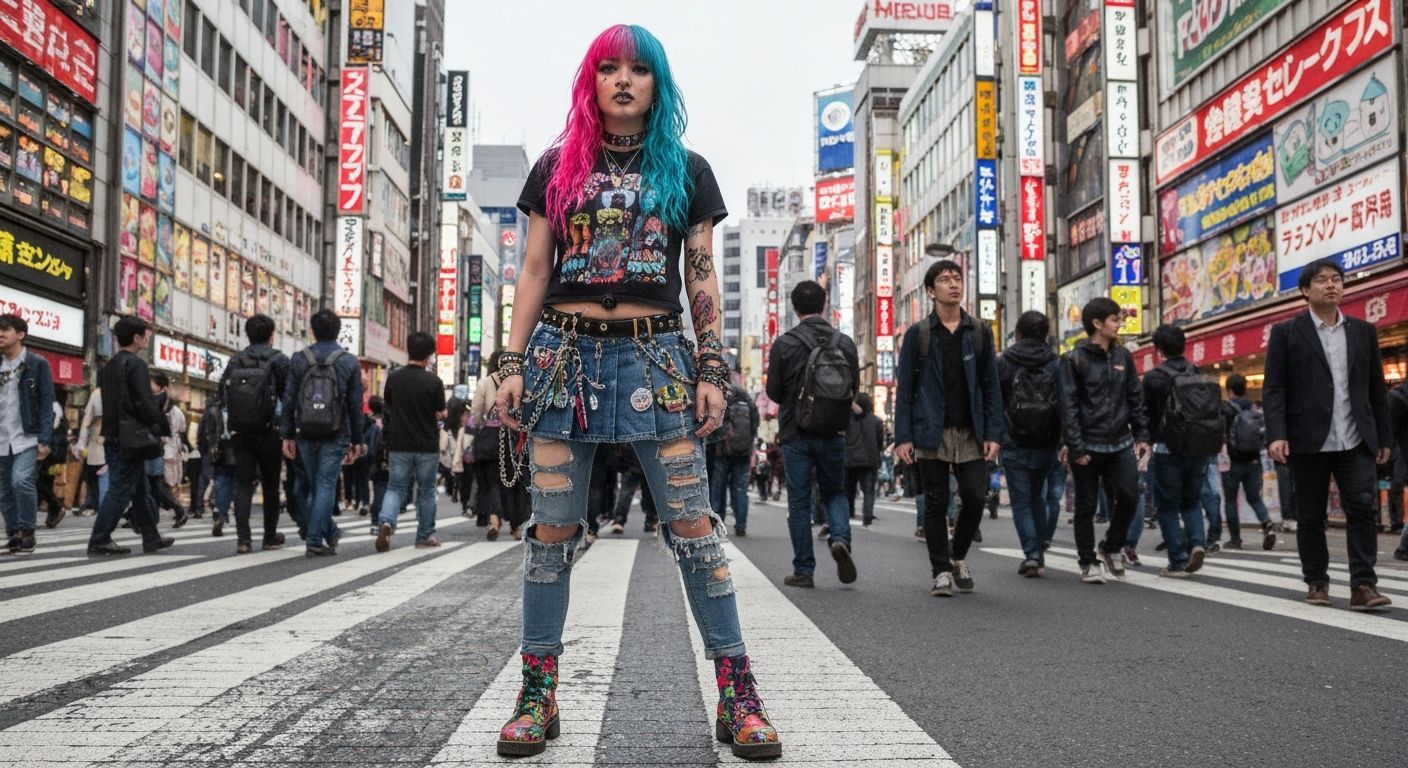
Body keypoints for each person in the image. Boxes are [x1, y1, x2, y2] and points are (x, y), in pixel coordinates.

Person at [492, 25, 779, 760]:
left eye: (639, 70)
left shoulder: (687, 169)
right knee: (551, 533)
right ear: (591, 81)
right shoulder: (556, 168)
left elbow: (701, 273)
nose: (623, 80)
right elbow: (531, 270)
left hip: (657, 359)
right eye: (609, 68)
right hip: (562, 358)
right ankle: (537, 691)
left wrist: (712, 369)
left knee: (694, 528)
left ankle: (738, 695)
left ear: (659, 84)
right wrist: (509, 361)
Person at [1263, 258, 1392, 610]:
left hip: (1355, 439)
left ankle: (1363, 585)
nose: (1331, 285)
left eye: (1337, 279)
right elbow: (1274, 389)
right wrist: (1277, 434)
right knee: (1310, 515)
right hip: (1308, 439)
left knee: (1363, 510)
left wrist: (1383, 438)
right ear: (1306, 290)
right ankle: (1317, 581)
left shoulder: (1362, 331)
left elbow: (1376, 390)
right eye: (1322, 280)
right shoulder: (1287, 333)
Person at [894, 259, 1002, 596]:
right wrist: (903, 437)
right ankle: (940, 569)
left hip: (971, 430)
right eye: (944, 279)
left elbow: (991, 386)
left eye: (957, 278)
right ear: (931, 291)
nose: (953, 284)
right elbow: (906, 390)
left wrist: (994, 434)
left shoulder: (980, 332)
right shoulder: (919, 335)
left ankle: (957, 556)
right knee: (936, 503)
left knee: (974, 496)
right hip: (930, 429)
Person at [766, 280, 860, 589]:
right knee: (834, 491)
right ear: (823, 303)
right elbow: (853, 389)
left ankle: (804, 569)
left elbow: (774, 392)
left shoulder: (785, 343)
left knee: (799, 500)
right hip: (834, 429)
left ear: (794, 307)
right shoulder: (844, 342)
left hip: (796, 431)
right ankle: (840, 538)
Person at [1059, 297, 1151, 584]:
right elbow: (1068, 406)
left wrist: (1142, 435)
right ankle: (1088, 561)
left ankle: (1110, 547)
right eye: (1115, 319)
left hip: (1121, 441)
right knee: (1086, 506)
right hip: (1088, 443)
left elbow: (1135, 396)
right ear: (1097, 324)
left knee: (1130, 497)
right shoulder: (1074, 359)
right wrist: (1076, 446)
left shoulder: (1123, 356)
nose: (1120, 323)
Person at [87, 316, 174, 555]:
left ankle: (151, 536)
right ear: (137, 337)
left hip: (114, 434)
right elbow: (143, 402)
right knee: (121, 489)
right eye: (145, 334)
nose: (147, 338)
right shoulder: (135, 365)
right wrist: (156, 421)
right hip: (131, 436)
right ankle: (99, 538)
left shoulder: (108, 367)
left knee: (139, 488)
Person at [282, 309, 364, 557]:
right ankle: (316, 538)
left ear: (312, 330)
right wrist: (357, 440)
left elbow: (289, 398)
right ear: (339, 331)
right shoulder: (348, 361)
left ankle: (327, 532)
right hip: (336, 432)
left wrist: (286, 434)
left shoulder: (299, 358)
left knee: (315, 486)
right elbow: (354, 404)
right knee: (325, 484)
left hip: (305, 431)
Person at [1141, 324, 1217, 579]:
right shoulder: (1196, 372)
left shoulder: (1153, 378)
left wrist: (1145, 444)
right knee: (1191, 500)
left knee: (1167, 505)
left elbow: (1148, 417)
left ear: (1158, 349)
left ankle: (1177, 559)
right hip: (1198, 446)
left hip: (1167, 447)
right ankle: (1197, 542)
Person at [996, 310, 1062, 577]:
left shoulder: (1004, 362)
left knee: (1021, 501)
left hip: (1013, 440)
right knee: (1039, 497)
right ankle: (1040, 550)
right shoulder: (1056, 363)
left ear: (1018, 333)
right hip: (1047, 440)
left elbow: (995, 401)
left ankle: (1032, 554)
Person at [220, 313, 292, 553]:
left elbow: (222, 393)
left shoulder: (236, 361)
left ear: (247, 334)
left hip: (241, 431)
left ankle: (243, 539)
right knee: (271, 485)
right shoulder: (279, 360)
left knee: (243, 484)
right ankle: (269, 536)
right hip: (270, 430)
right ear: (272, 335)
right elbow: (289, 396)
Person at [375, 331, 448, 552]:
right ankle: (424, 535)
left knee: (395, 487)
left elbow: (388, 405)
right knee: (426, 491)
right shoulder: (434, 381)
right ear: (429, 354)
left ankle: (386, 521)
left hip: (399, 442)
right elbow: (440, 413)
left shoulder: (394, 378)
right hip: (426, 444)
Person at [0, 314, 55, 554]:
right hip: (2, 436)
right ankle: (14, 534)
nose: (0, 335)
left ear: (20, 335)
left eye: (6, 330)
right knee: (3, 489)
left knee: (21, 480)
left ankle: (27, 531)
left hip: (27, 436)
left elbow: (46, 403)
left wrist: (45, 439)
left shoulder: (37, 363)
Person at [1220, 373, 1276, 551]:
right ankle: (1267, 524)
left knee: (1230, 500)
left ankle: (1235, 539)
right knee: (1254, 497)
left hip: (1232, 461)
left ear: (1229, 389)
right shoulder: (1253, 409)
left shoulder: (1226, 409)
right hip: (1253, 459)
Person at [710, 368, 758, 535]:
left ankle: (717, 523)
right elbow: (755, 422)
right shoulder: (745, 396)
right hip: (743, 450)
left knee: (718, 487)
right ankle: (741, 524)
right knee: (740, 488)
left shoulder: (720, 395)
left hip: (722, 448)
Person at [146, 372, 189, 528]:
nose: (148, 385)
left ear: (161, 387)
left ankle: (176, 510)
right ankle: (146, 516)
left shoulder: (160, 403)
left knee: (155, 482)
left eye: (152, 382)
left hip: (157, 446)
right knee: (153, 483)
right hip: (163, 446)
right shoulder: (170, 406)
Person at [843, 393, 884, 528]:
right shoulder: (876, 421)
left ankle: (849, 512)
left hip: (849, 459)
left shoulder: (847, 420)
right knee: (869, 490)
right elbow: (879, 442)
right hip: (869, 460)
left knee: (849, 489)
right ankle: (867, 515)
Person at [75, 387, 105, 516]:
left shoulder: (97, 393)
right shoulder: (123, 388)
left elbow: (87, 419)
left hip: (98, 435)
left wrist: (81, 442)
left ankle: (94, 503)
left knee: (94, 474)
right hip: (107, 438)